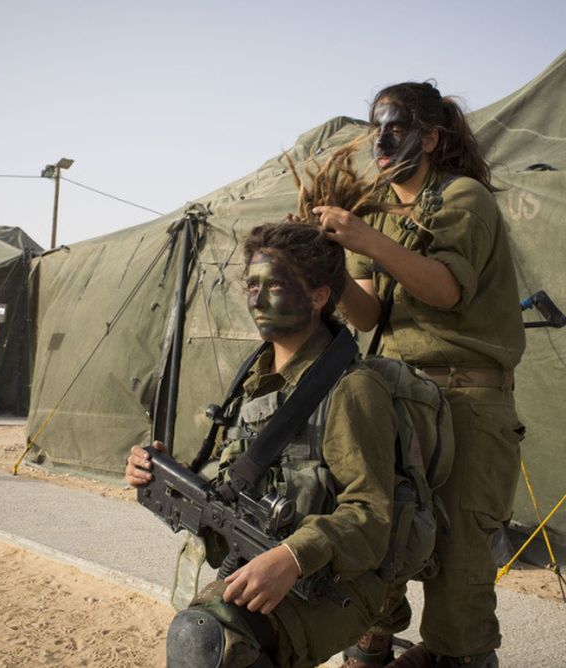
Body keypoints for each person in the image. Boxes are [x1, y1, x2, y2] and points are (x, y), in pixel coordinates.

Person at [126, 222, 441, 668]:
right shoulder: (255, 381)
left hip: (334, 581)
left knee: (205, 640)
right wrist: (159, 471)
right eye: (252, 284)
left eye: (275, 284)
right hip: (265, 563)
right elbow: (235, 476)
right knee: (204, 635)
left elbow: (371, 517)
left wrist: (293, 556)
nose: (256, 297)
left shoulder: (352, 390)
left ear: (319, 296)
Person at [312, 81, 526, 668]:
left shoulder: (464, 198)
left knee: (458, 569)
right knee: (381, 544)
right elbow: (370, 313)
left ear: (431, 138)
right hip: (396, 399)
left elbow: (446, 289)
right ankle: (374, 647)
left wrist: (366, 239)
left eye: (397, 128)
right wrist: (330, 271)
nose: (380, 141)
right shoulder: (373, 212)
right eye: (375, 129)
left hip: (467, 403)